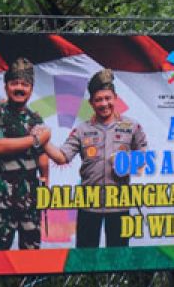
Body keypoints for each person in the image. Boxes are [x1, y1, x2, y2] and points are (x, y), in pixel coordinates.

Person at [44, 69, 148, 249]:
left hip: (119, 204)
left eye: (108, 98)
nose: (104, 103)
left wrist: (126, 162)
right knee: (85, 257)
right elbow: (62, 157)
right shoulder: (82, 130)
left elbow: (144, 161)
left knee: (118, 257)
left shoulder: (132, 126)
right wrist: (43, 142)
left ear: (115, 98)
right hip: (88, 205)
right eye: (98, 99)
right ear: (91, 103)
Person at [0, 57, 48, 250]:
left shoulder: (35, 118)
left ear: (31, 89)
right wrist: (33, 140)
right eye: (14, 83)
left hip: (30, 199)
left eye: (25, 84)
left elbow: (42, 155)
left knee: (31, 258)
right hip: (1, 199)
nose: (19, 88)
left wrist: (46, 184)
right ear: (6, 86)